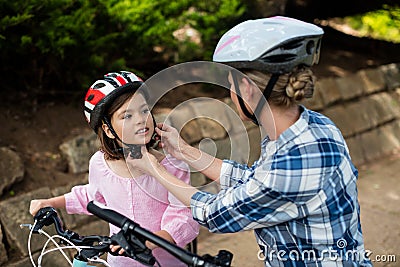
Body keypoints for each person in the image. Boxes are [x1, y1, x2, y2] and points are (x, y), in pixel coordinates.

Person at [127, 17, 373, 266]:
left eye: (229, 86)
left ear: (246, 88)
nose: (230, 96)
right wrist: (184, 151)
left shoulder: (294, 162)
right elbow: (254, 182)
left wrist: (153, 168)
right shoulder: (313, 127)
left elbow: (214, 213)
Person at [29, 71, 199, 267]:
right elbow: (91, 196)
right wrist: (49, 202)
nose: (140, 119)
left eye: (144, 111)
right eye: (127, 115)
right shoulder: (100, 164)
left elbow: (184, 217)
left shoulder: (172, 166)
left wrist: (147, 241)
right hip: (119, 262)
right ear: (108, 129)